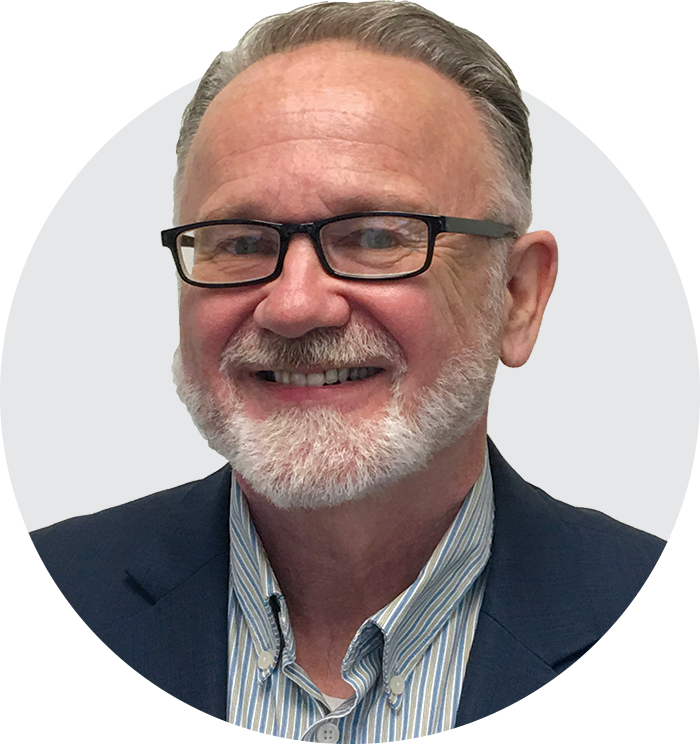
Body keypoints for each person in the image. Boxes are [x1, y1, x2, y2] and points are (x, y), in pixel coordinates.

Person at [1, 1, 698, 742]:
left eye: (374, 237)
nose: (294, 306)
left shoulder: (679, 651)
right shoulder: (20, 621)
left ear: (517, 296)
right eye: (240, 244)